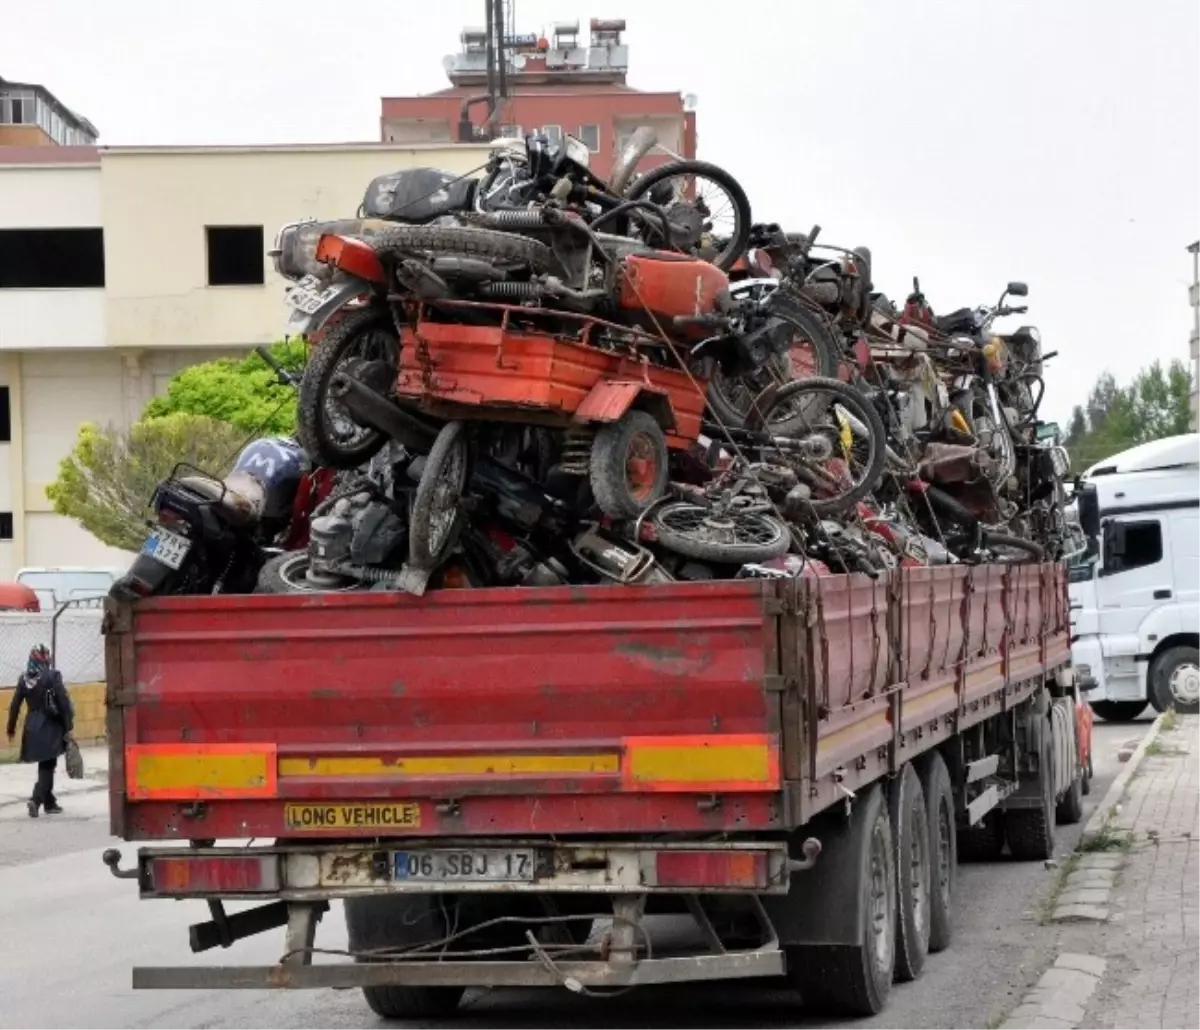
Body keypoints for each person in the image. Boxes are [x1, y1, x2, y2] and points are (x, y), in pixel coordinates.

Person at [5, 644, 74, 817]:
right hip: (50, 725)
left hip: (32, 726)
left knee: (45, 764)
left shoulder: (24, 679)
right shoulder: (52, 676)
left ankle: (50, 803)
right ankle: (36, 800)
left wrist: (11, 728)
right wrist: (68, 726)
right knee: (48, 765)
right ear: (46, 659)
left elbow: (14, 706)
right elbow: (63, 702)